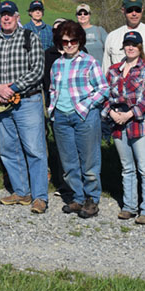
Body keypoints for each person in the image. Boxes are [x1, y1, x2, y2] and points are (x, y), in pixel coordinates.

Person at [0, 1, 48, 213]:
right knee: (9, 149)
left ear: (17, 17)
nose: (6, 18)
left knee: (34, 149)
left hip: (28, 100)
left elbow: (38, 70)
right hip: (2, 103)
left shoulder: (30, 38)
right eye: (3, 15)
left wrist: (15, 87)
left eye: (10, 14)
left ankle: (40, 197)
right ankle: (21, 191)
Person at [48, 20, 109, 218]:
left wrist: (85, 105)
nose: (69, 45)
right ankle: (78, 197)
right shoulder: (57, 64)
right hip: (61, 117)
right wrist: (53, 109)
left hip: (84, 116)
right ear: (60, 42)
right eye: (65, 42)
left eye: (73, 41)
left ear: (80, 41)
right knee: (68, 161)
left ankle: (92, 199)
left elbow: (103, 88)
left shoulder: (89, 61)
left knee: (89, 160)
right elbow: (52, 89)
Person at [103, 31, 145, 224]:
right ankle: (129, 207)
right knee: (127, 168)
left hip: (140, 123)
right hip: (117, 123)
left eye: (134, 44)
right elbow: (105, 95)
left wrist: (128, 115)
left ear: (140, 47)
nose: (130, 47)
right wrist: (111, 113)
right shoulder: (113, 70)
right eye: (127, 44)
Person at [103, 0, 145, 81]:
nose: (134, 14)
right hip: (118, 91)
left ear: (142, 10)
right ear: (123, 10)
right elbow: (106, 69)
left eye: (137, 10)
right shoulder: (112, 37)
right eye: (130, 10)